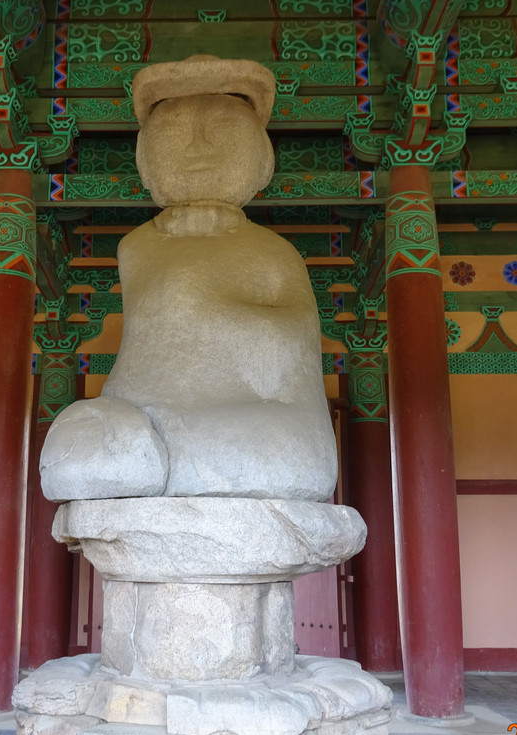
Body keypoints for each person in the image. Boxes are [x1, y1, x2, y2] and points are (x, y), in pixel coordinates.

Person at [40, 55, 337, 502]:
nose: (199, 148)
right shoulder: (136, 248)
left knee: (297, 457)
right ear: (144, 162)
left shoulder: (273, 252)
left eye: (224, 129)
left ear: (263, 160)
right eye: (175, 132)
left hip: (250, 418)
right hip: (144, 410)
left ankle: (143, 458)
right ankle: (140, 452)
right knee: (78, 444)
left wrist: (199, 311)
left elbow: (293, 352)